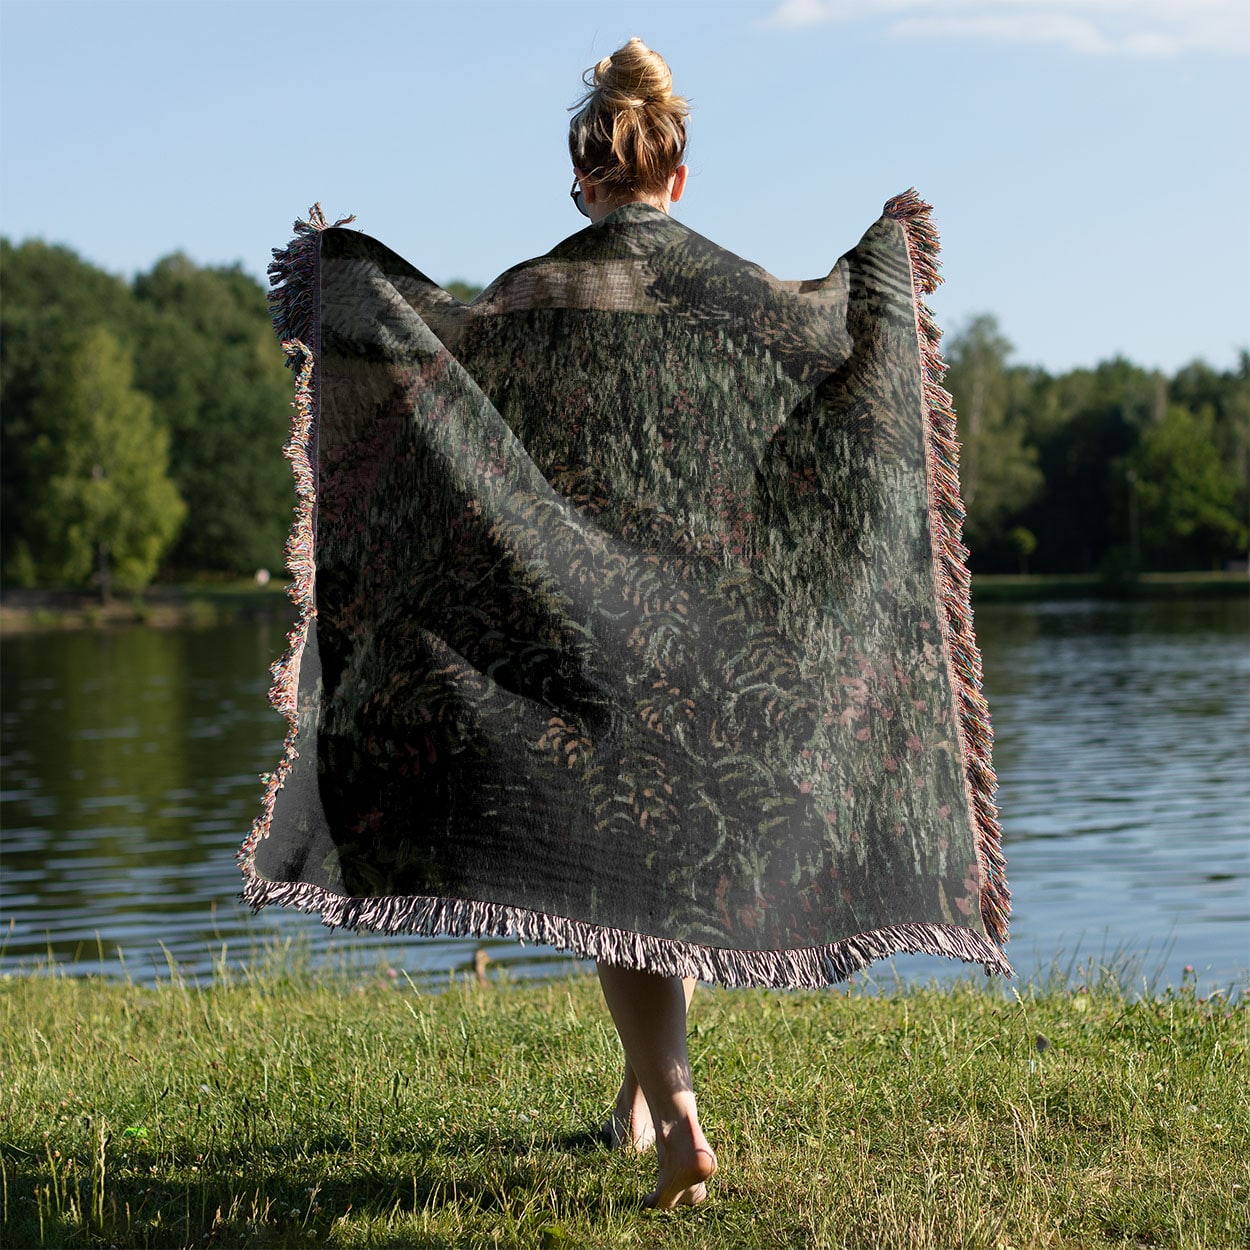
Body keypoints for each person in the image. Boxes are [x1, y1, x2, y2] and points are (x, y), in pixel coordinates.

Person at [565, 37, 717, 1211]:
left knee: (616, 885)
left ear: (587, 180)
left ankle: (678, 1119)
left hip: (595, 618)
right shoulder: (727, 288)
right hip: (710, 625)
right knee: (661, 868)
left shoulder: (549, 288)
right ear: (675, 174)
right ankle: (632, 1099)